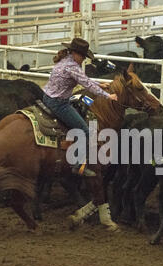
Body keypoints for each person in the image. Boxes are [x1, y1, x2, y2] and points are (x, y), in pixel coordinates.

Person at [43, 38, 118, 177]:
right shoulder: (73, 67)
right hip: (59, 103)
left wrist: (99, 84)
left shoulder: (65, 61)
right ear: (75, 53)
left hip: (47, 97)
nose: (84, 59)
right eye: (83, 56)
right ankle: (78, 164)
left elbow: (83, 79)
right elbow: (87, 85)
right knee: (85, 131)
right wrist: (108, 96)